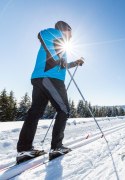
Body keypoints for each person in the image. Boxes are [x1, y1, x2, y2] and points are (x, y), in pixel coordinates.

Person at [16, 21, 84, 163]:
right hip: (51, 79)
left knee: (35, 112)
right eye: (70, 33)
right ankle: (56, 147)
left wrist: (75, 63)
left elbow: (61, 65)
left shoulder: (59, 45)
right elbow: (41, 34)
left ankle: (24, 149)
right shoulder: (55, 34)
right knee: (64, 110)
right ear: (65, 30)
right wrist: (56, 58)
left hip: (41, 78)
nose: (71, 37)